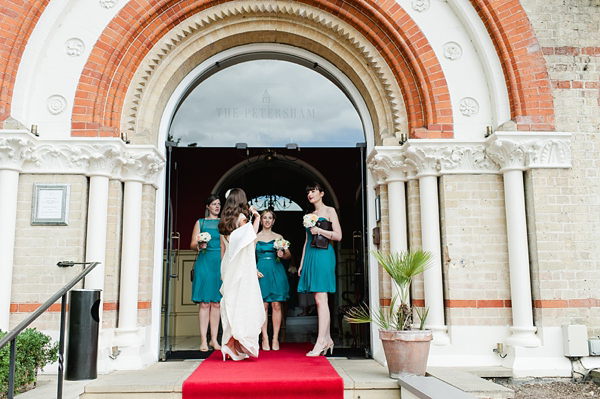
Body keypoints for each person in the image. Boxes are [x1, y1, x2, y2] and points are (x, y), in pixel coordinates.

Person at [218, 188, 266, 361]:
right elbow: (250, 239)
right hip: (240, 265)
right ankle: (231, 344)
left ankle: (232, 345)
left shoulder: (224, 221)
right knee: (240, 304)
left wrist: (223, 272)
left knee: (230, 304)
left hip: (227, 264)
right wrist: (257, 218)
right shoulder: (242, 219)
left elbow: (224, 250)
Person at [297, 182, 342, 357]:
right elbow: (306, 241)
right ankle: (328, 338)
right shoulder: (309, 215)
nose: (310, 194)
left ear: (322, 193)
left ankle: (321, 341)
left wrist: (320, 231)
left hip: (324, 255)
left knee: (320, 299)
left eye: (313, 191)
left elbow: (338, 236)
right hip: (310, 256)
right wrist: (302, 263)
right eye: (308, 191)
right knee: (318, 298)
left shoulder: (330, 211)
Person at [255, 209, 291, 351]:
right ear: (261, 220)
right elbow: (249, 257)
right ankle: (264, 337)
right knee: (263, 306)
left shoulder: (279, 236)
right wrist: (254, 270)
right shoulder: (255, 237)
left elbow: (288, 255)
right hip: (261, 272)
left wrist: (283, 254)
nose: (267, 220)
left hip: (276, 271)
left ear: (274, 221)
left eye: (270, 218)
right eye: (265, 218)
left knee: (276, 305)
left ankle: (275, 338)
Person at [189, 194, 222, 352]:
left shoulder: (223, 223)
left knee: (216, 303)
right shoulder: (200, 222)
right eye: (214, 204)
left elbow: (225, 245)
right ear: (207, 206)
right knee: (204, 303)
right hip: (204, 262)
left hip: (219, 262)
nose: (217, 206)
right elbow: (192, 244)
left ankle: (214, 339)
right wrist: (200, 245)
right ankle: (203, 339)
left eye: (219, 204)